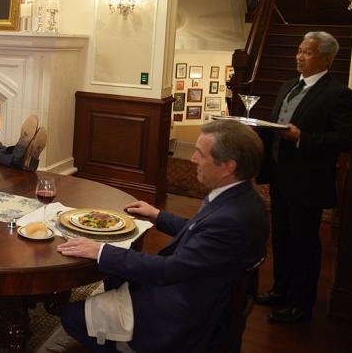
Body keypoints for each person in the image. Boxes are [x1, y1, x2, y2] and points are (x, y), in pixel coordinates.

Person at [57, 119, 269, 352]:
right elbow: (199, 230)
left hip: (183, 314)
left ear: (228, 166)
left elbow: (169, 270)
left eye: (200, 154)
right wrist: (157, 215)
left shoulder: (230, 220)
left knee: (70, 317)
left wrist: (100, 251)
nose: (193, 159)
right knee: (113, 274)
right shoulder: (242, 199)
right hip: (199, 291)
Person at [255, 31, 352, 324]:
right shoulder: (288, 85)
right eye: (299, 50)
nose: (299, 57)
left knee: (304, 243)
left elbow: (349, 138)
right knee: (282, 237)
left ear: (326, 59)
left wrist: (303, 138)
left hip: (308, 182)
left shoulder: (338, 94)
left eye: (307, 52)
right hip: (280, 176)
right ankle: (280, 290)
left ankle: (300, 305)